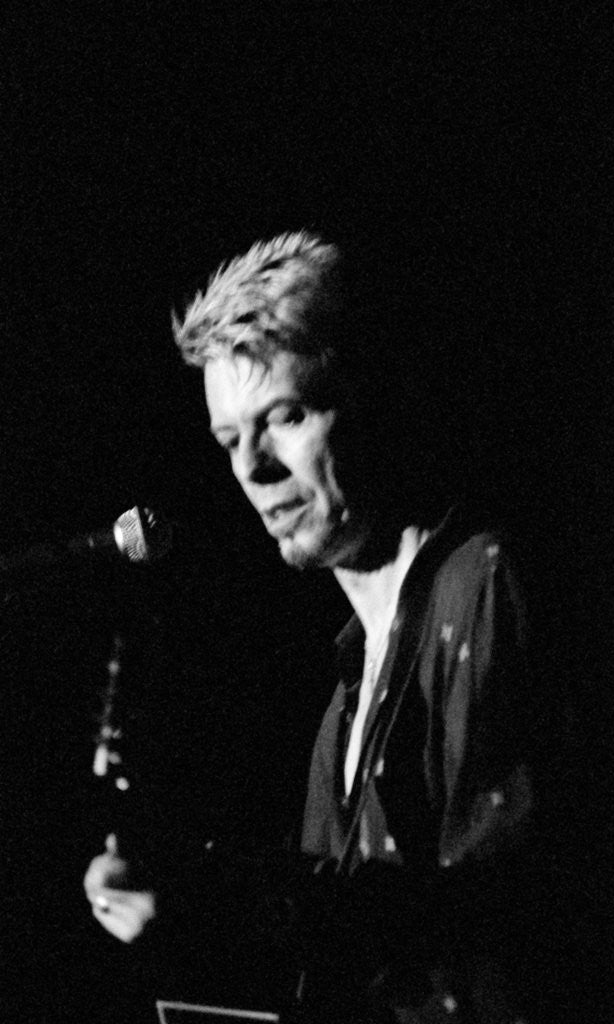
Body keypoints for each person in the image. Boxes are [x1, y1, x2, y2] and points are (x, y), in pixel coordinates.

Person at [83, 230, 575, 1023]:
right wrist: (189, 915)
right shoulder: (345, 696)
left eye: (284, 416)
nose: (252, 467)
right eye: (229, 439)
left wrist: (223, 901)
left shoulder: (478, 586)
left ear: (371, 399)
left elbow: (507, 929)